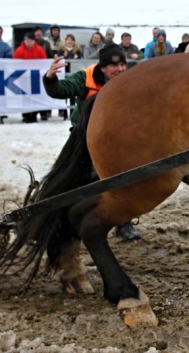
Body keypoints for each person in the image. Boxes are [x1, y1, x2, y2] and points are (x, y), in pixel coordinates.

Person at [43, 45, 140, 241]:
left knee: (121, 180)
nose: (120, 69)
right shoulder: (85, 78)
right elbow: (60, 90)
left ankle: (124, 223)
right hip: (84, 137)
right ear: (103, 68)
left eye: (122, 64)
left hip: (116, 139)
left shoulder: (129, 81)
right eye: (114, 65)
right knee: (73, 179)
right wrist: (50, 78)